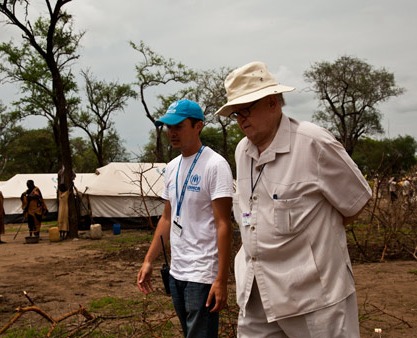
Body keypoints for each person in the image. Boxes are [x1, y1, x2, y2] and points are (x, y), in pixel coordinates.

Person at [215, 61, 372, 338]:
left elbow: (356, 202)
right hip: (257, 293)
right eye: (235, 113)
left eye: (246, 110)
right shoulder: (243, 151)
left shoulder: (313, 143)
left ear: (273, 102)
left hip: (314, 300)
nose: (240, 119)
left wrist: (318, 239)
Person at [137, 99, 234, 338]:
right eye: (169, 127)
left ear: (198, 126)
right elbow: (167, 218)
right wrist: (149, 260)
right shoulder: (172, 167)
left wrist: (221, 279)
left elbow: (224, 224)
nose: (172, 132)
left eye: (179, 126)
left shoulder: (215, 165)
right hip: (176, 271)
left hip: (202, 273)